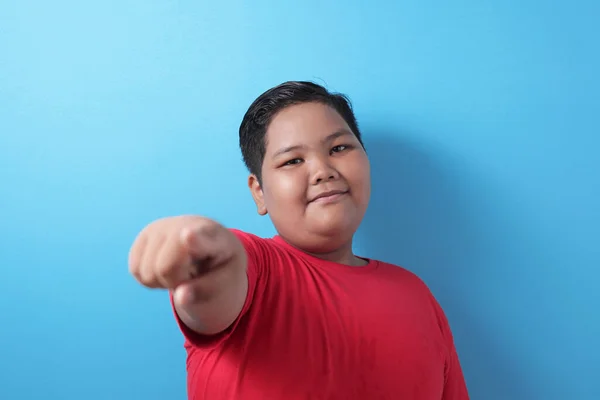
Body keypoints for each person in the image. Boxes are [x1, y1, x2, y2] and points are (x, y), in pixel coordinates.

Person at [128, 81, 470, 399]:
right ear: (259, 192)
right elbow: (218, 281)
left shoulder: (417, 295)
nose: (323, 170)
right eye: (292, 160)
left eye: (339, 147)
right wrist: (202, 249)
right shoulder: (254, 267)